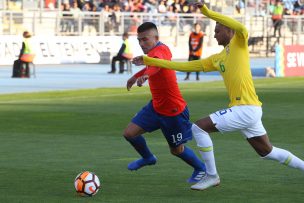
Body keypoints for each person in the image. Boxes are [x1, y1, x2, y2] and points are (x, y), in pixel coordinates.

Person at [132, 2, 304, 191]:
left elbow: (239, 26)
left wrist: (207, 12)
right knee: (267, 152)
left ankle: (212, 175)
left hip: (246, 109)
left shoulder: (239, 42)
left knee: (198, 128)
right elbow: (186, 66)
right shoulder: (218, 58)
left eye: (218, 30)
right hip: (249, 110)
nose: (214, 34)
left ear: (228, 31)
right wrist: (148, 60)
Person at [123, 22, 206, 183]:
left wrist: (147, 75)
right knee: (129, 133)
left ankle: (201, 168)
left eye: (145, 39)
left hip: (173, 111)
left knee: (176, 150)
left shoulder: (162, 50)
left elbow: (157, 65)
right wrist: (135, 77)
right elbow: (151, 65)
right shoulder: (150, 54)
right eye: (139, 40)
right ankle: (148, 158)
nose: (141, 44)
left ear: (156, 38)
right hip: (155, 107)